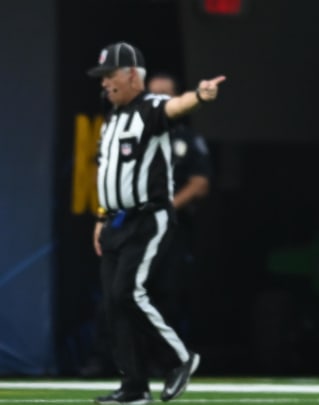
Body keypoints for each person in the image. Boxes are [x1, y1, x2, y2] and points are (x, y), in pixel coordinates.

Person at [87, 41, 226, 404]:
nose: (104, 83)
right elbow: (107, 173)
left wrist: (200, 94)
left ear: (132, 74)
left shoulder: (149, 109)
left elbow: (175, 105)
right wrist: (101, 217)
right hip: (117, 220)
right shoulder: (112, 118)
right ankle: (134, 386)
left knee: (127, 292)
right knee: (114, 304)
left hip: (148, 217)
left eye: (109, 75)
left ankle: (180, 358)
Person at [146, 72, 212, 343]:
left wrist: (163, 208)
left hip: (172, 228)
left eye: (166, 95)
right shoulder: (133, 134)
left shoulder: (187, 139)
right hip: (134, 228)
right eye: (153, 96)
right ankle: (108, 360)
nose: (160, 102)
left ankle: (164, 359)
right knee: (124, 292)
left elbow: (200, 184)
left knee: (169, 292)